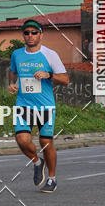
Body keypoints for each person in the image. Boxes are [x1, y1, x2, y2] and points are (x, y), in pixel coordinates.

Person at [8, 19, 69, 193]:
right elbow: (12, 70)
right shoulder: (17, 54)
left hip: (45, 107)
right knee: (22, 139)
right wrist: (12, 83)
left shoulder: (50, 54)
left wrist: (48, 74)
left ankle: (52, 178)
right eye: (26, 33)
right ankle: (37, 161)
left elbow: (65, 79)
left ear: (41, 35)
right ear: (23, 35)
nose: (30, 36)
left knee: (45, 142)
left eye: (34, 32)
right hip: (24, 104)